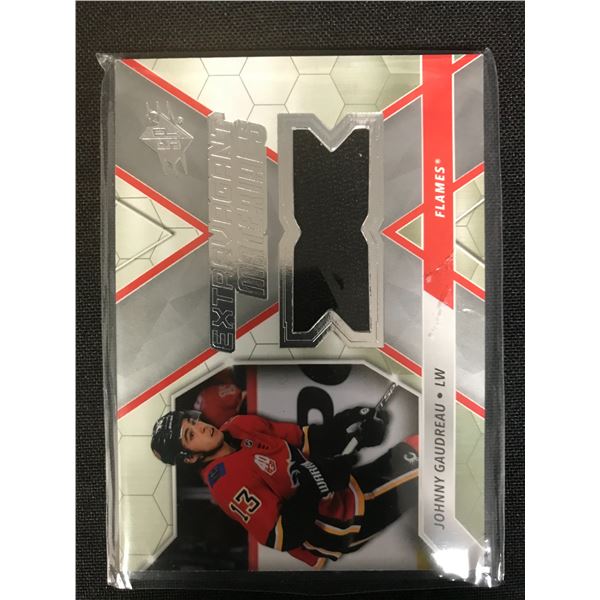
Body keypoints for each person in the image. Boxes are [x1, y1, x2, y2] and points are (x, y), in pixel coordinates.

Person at [151, 406, 418, 568]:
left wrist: (350, 425)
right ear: (191, 458)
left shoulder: (239, 426)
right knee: (426, 457)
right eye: (191, 435)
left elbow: (307, 440)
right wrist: (316, 482)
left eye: (193, 422)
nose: (202, 428)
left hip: (345, 492)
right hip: (339, 524)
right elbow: (283, 535)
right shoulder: (225, 485)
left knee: (423, 450)